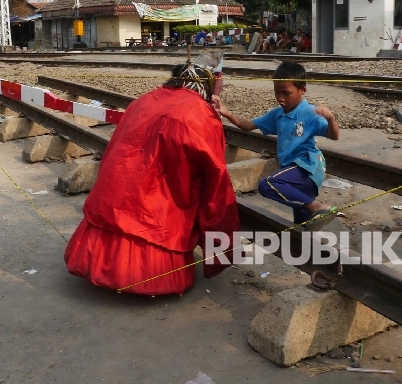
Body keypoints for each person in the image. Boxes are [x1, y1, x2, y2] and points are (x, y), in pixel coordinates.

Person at [64, 63, 240, 296]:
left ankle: (97, 267)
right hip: (157, 198)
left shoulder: (144, 99)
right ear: (205, 88)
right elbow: (215, 174)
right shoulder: (201, 112)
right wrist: (222, 241)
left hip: (118, 186)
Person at [212, 61, 342, 230]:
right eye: (277, 92)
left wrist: (331, 118)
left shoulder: (309, 113)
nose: (280, 98)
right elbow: (249, 125)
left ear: (302, 90)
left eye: (286, 93)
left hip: (307, 167)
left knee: (268, 185)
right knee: (303, 225)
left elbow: (334, 136)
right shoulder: (278, 114)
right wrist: (227, 113)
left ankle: (318, 206)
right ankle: (307, 242)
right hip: (291, 173)